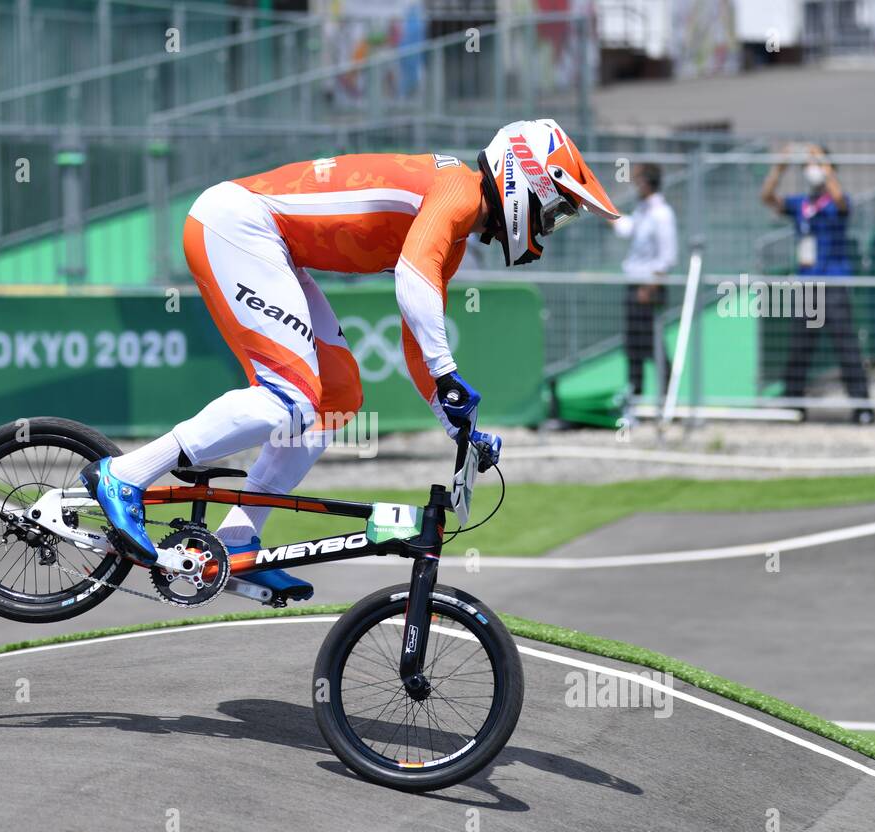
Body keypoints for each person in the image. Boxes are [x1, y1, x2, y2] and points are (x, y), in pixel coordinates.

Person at [80, 119, 621, 602]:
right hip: (238, 226)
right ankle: (127, 475)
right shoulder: (456, 190)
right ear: (526, 178)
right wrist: (447, 373)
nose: (550, 224)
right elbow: (412, 281)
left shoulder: (454, 226)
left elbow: (416, 335)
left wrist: (458, 424)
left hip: (268, 240)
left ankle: (239, 539)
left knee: (338, 399)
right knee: (287, 397)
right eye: (556, 208)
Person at [760, 143, 874, 424]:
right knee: (800, 347)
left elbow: (840, 200)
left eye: (814, 165)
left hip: (833, 284)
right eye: (807, 166)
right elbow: (767, 198)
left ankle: (862, 406)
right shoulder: (802, 203)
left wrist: (822, 162)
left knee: (846, 347)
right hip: (807, 284)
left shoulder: (837, 200)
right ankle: (794, 403)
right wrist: (779, 168)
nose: (809, 170)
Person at [608, 163, 677, 410]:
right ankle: (635, 399)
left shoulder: (662, 214)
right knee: (635, 347)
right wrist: (604, 210)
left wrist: (650, 287)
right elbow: (625, 229)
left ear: (647, 183)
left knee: (652, 346)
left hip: (648, 288)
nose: (635, 185)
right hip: (636, 286)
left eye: (638, 180)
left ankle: (667, 400)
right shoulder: (643, 211)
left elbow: (667, 256)